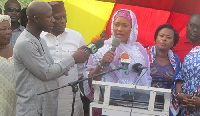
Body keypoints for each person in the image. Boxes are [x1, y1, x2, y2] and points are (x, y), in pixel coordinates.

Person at [13, 1, 89, 116]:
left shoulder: (40, 40)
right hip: (33, 108)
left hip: (49, 106)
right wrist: (73, 58)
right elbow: (47, 73)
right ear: (36, 19)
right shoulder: (25, 43)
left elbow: (53, 68)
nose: (53, 20)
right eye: (49, 17)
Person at [83, 9, 152, 115]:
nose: (119, 29)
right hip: (105, 106)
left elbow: (146, 79)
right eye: (117, 24)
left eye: (125, 25)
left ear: (132, 28)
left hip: (133, 108)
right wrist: (102, 64)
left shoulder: (139, 50)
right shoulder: (102, 48)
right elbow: (90, 81)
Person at [40, 1, 84, 116]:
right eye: (58, 18)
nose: (63, 21)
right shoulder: (38, 38)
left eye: (65, 17)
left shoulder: (77, 37)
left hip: (70, 97)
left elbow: (80, 69)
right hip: (45, 97)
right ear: (48, 18)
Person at [146, 23, 181, 116]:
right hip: (143, 102)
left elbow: (178, 81)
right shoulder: (144, 55)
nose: (164, 39)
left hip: (166, 107)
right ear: (156, 38)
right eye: (161, 36)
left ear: (173, 43)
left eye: (168, 37)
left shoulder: (176, 61)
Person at [175, 14, 200, 116]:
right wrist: (178, 94)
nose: (195, 30)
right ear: (187, 25)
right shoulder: (174, 44)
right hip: (178, 104)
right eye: (192, 26)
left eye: (199, 27)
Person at [0, 15, 16, 116]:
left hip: (15, 102)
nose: (8, 32)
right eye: (3, 29)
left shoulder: (16, 51)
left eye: (9, 28)